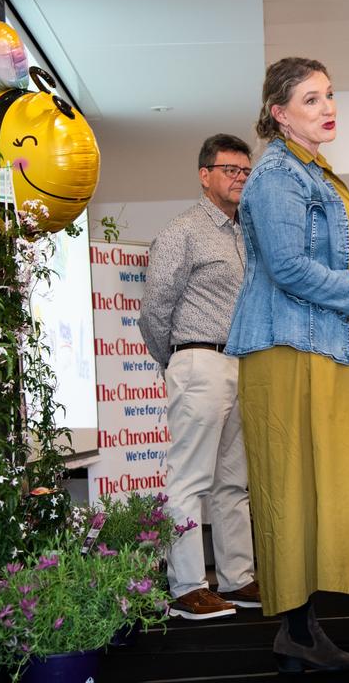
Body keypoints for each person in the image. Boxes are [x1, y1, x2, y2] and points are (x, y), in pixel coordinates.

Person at [225, 58, 349, 672]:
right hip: (289, 348)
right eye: (310, 99)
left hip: (333, 339)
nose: (327, 108)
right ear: (279, 113)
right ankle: (298, 632)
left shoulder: (314, 167)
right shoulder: (276, 174)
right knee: (293, 485)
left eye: (329, 95)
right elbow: (288, 269)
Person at [139, 133, 260, 620]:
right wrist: (173, 358)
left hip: (243, 364)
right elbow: (154, 309)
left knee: (235, 482)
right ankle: (188, 586)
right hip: (198, 360)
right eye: (230, 169)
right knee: (189, 479)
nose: (239, 179)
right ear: (204, 175)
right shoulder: (182, 231)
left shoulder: (246, 233)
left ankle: (236, 579)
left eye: (245, 171)